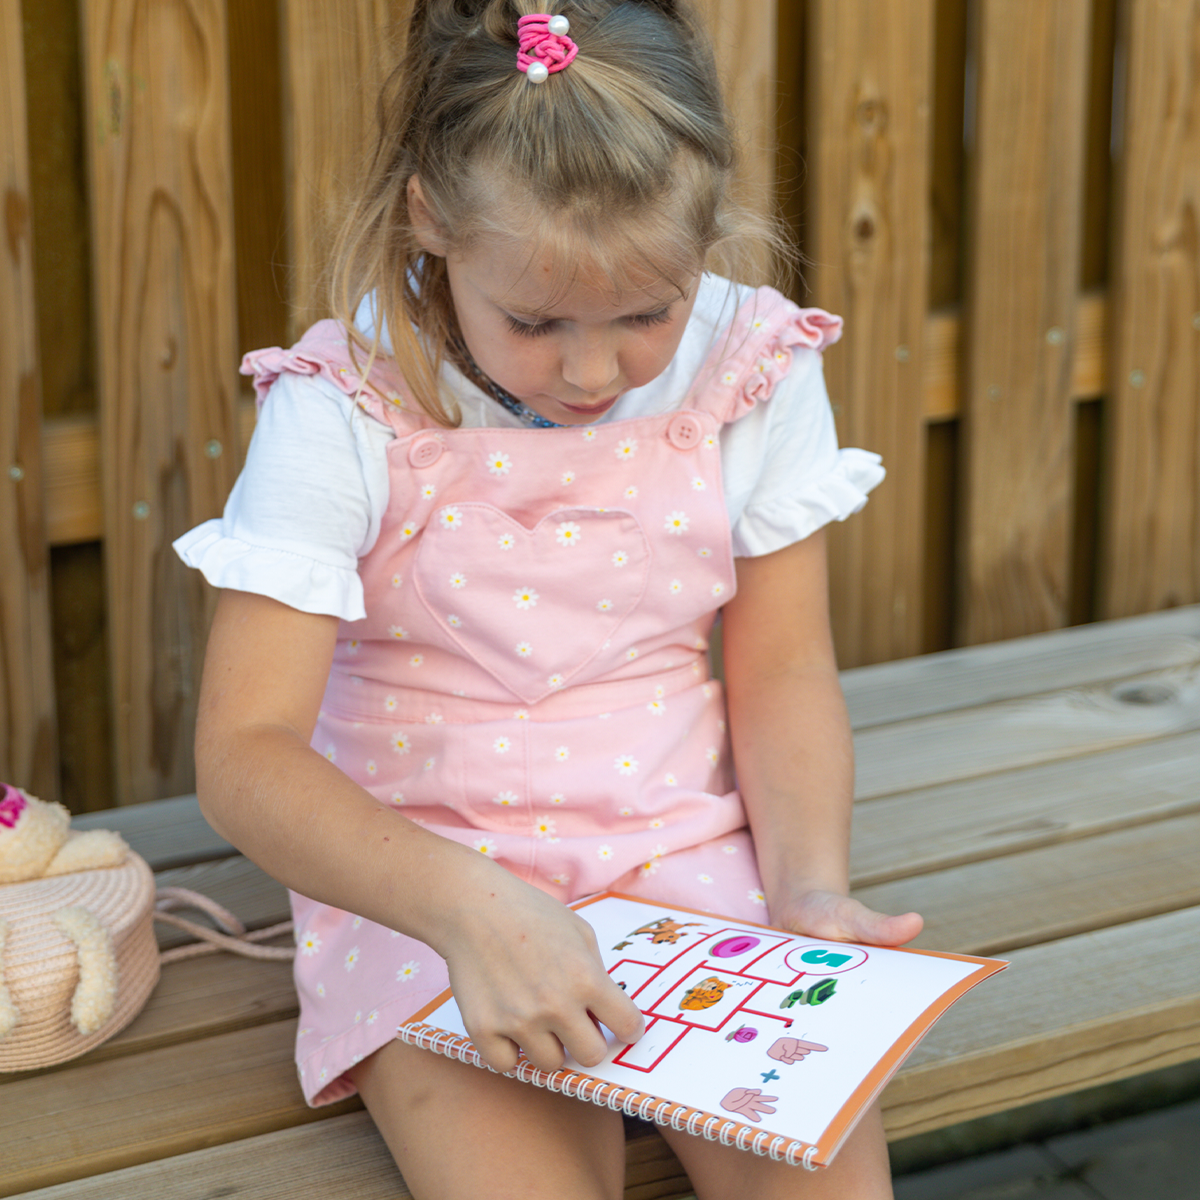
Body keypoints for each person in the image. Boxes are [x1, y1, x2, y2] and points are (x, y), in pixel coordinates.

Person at [177, 2, 923, 1196]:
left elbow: (780, 670)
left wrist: (811, 888)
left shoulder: (754, 368)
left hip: (690, 862)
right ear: (429, 218)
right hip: (423, 884)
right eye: (535, 321)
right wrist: (465, 910)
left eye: (646, 312)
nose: (592, 371)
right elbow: (246, 753)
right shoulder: (342, 406)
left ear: (708, 237)